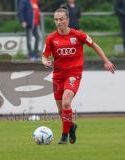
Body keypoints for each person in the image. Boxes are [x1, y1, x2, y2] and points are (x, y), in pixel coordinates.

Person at [41, 7, 115, 144]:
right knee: (61, 111)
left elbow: (94, 45)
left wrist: (106, 61)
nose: (59, 22)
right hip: (58, 76)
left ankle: (64, 136)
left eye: (61, 19)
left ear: (67, 20)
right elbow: (44, 56)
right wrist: (45, 61)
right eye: (56, 20)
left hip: (73, 73)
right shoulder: (51, 38)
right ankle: (71, 126)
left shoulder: (78, 35)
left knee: (66, 102)